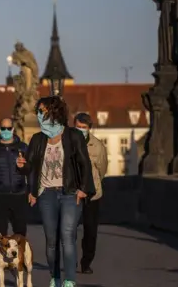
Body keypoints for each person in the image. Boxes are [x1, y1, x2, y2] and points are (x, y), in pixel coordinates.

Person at [22, 96, 95, 287]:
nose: (39, 115)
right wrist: (21, 166)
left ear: (54, 112)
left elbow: (84, 164)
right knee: (51, 240)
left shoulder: (73, 136)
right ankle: (54, 277)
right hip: (47, 193)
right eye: (38, 111)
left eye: (42, 111)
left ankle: (69, 280)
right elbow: (29, 167)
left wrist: (83, 189)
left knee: (67, 236)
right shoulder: (38, 139)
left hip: (70, 193)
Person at [74, 113, 108, 274]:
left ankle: (86, 262)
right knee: (69, 230)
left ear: (89, 129)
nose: (81, 130)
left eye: (84, 128)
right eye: (78, 127)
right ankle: (70, 259)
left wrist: (92, 184)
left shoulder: (98, 146)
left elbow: (102, 169)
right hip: (72, 194)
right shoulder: (68, 144)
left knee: (90, 231)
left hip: (92, 195)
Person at [0, 117, 30, 236]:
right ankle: (0, 254)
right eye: (3, 128)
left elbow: (30, 171)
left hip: (19, 195)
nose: (6, 131)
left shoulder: (23, 147)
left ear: (13, 129)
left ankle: (20, 254)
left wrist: (32, 192)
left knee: (20, 232)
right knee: (0, 232)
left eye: (8, 128)